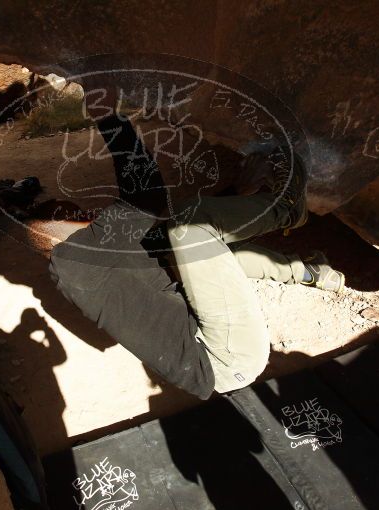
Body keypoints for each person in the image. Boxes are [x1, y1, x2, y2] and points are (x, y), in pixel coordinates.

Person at [44, 86, 345, 399]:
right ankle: (286, 208)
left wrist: (236, 194)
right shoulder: (80, 258)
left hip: (219, 357)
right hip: (223, 355)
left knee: (205, 252)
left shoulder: (95, 265)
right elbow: (145, 192)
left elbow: (173, 244)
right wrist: (109, 116)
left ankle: (313, 272)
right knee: (188, 222)